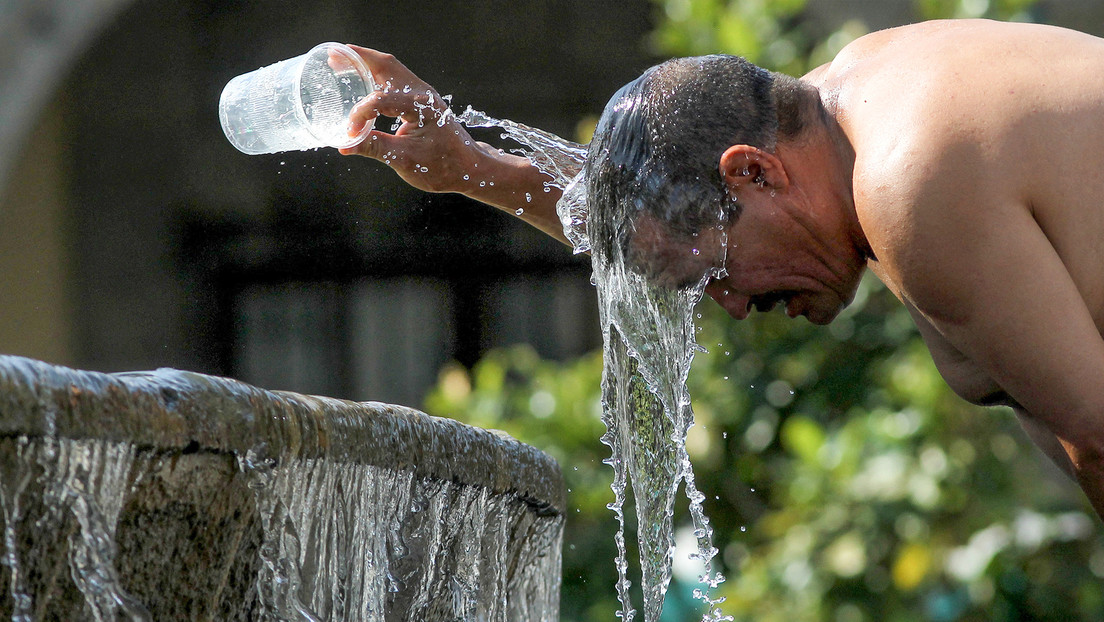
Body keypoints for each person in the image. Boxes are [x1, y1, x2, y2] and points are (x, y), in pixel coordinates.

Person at [338, 19, 1104, 520]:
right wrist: (472, 166)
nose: (732, 306)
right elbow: (666, 211)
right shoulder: (862, 92)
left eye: (715, 276)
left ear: (756, 174)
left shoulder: (909, 187)